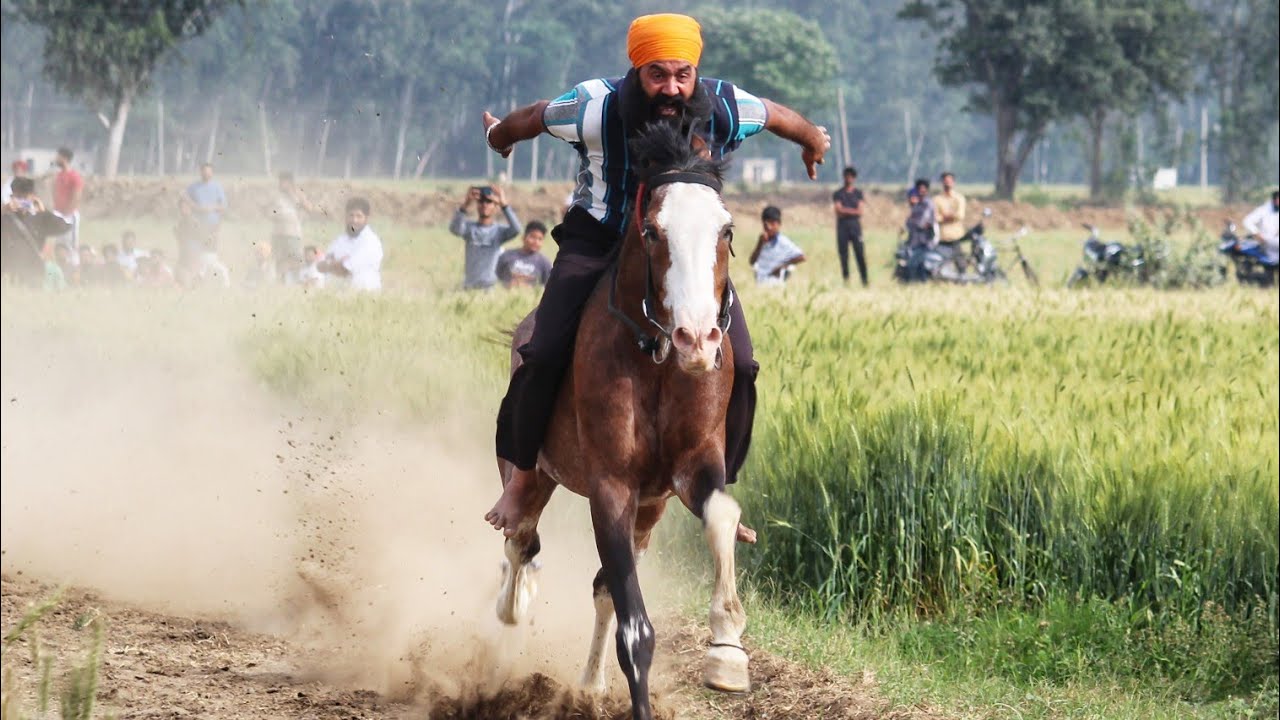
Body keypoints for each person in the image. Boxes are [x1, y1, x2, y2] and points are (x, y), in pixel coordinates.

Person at [481, 12, 830, 533]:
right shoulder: (594, 107)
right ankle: (525, 478)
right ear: (636, 69)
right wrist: (499, 139)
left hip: (682, 252)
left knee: (747, 363)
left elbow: (780, 116)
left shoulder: (727, 106)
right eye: (657, 74)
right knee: (542, 348)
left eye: (682, 74)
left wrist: (813, 142)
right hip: (599, 239)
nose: (672, 87)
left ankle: (717, 495)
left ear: (696, 72)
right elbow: (532, 116)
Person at [449, 185, 521, 290]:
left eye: (489, 202)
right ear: (477, 205)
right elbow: (454, 229)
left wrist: (504, 205)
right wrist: (466, 204)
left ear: (496, 206)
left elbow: (516, 229)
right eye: (481, 202)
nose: (485, 205)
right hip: (469, 287)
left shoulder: (499, 232)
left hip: (490, 288)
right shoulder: (469, 229)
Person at [318, 197, 383, 292]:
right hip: (339, 297)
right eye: (351, 215)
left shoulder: (370, 242)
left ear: (366, 218)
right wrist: (338, 263)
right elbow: (320, 266)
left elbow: (345, 270)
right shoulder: (341, 239)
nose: (354, 220)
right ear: (346, 217)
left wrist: (332, 265)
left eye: (359, 216)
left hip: (364, 297)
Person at [270, 172, 323, 284]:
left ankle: (296, 282)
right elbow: (269, 212)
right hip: (278, 234)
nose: (281, 184)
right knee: (279, 260)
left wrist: (295, 198)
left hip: (292, 233)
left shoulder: (297, 194)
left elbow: (309, 208)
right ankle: (281, 283)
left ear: (290, 183)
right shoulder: (276, 195)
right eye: (280, 182)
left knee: (295, 259)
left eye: (283, 182)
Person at [181, 162, 227, 270]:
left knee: (210, 251)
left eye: (209, 173)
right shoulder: (193, 187)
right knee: (196, 250)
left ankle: (211, 273)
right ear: (201, 173)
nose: (207, 175)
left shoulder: (217, 187)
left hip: (213, 225)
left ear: (212, 173)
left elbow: (223, 206)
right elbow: (184, 201)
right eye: (205, 172)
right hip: (197, 225)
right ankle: (196, 272)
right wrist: (190, 215)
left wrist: (210, 208)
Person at [750, 206, 805, 286]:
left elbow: (801, 257)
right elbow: (752, 262)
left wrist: (782, 266)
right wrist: (760, 244)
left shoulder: (783, 242)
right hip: (760, 283)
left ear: (779, 224)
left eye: (772, 224)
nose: (769, 227)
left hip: (776, 284)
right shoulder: (762, 241)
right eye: (766, 224)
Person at [832, 166, 867, 286]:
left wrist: (845, 210)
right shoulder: (838, 193)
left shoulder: (858, 193)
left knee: (860, 254)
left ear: (854, 178)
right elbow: (838, 210)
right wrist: (852, 211)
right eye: (847, 176)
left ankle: (864, 281)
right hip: (842, 228)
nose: (849, 179)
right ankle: (846, 281)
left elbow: (860, 211)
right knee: (844, 256)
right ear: (844, 177)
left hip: (855, 228)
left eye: (851, 177)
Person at [495, 220, 553, 289]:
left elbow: (549, 287)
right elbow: (495, 279)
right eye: (533, 237)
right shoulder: (507, 256)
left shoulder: (544, 263)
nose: (536, 242)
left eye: (540, 239)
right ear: (523, 237)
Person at [51, 147, 83, 257]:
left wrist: (67, 213)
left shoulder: (74, 176)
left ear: (64, 158)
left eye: (58, 156)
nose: (56, 159)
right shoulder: (59, 175)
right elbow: (55, 193)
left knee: (71, 245)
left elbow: (77, 196)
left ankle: (74, 267)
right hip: (59, 215)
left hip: (69, 215)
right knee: (59, 245)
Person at [1242, 189, 1279, 265]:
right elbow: (1247, 221)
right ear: (1274, 200)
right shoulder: (1264, 210)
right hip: (1266, 240)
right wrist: (1256, 233)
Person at [934, 171, 967, 246]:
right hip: (942, 237)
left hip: (957, 236)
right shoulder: (936, 199)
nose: (947, 183)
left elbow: (960, 216)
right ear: (942, 182)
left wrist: (944, 216)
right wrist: (952, 216)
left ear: (953, 182)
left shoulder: (959, 198)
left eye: (949, 181)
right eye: (945, 181)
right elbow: (935, 218)